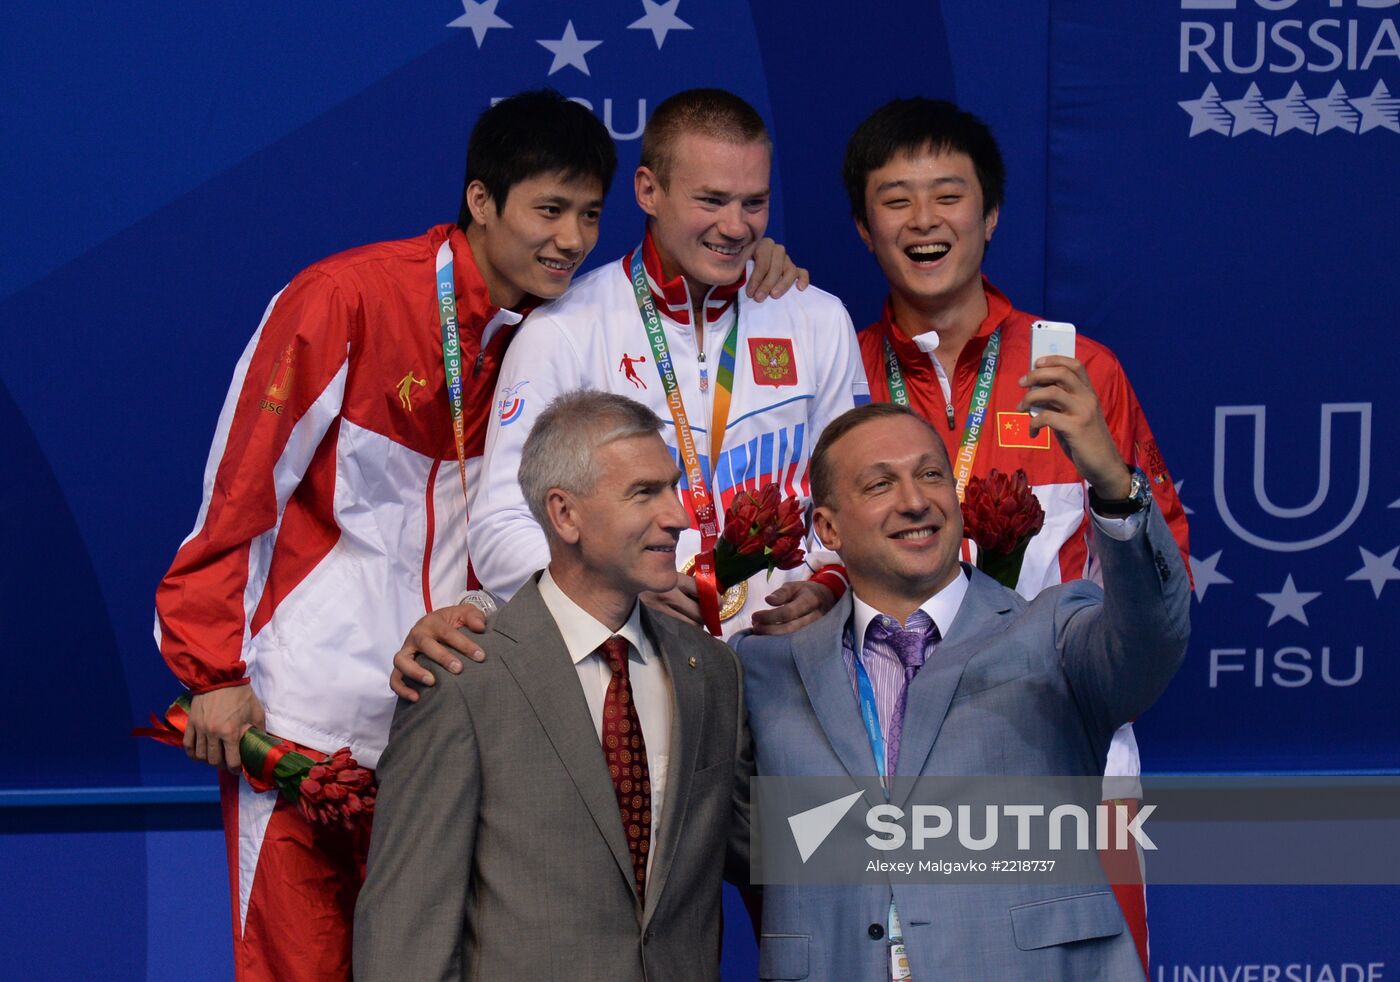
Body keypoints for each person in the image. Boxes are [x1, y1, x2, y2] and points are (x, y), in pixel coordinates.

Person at [153, 89, 798, 982]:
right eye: (547, 210)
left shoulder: (554, 328)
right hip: (308, 717)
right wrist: (214, 669)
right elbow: (240, 491)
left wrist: (763, 268)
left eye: (586, 215)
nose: (570, 239)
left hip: (461, 705)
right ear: (481, 201)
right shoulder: (347, 299)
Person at [843, 97, 1191, 964]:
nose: (924, 221)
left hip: (1064, 766)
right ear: (862, 227)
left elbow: (1162, 589)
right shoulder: (835, 369)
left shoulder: (1076, 370)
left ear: (990, 215)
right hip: (888, 777)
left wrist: (1111, 477)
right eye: (896, 199)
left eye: (949, 195)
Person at [390, 88, 867, 700]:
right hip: (631, 673)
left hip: (793, 672)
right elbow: (503, 525)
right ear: (648, 191)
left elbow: (854, 495)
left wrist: (833, 582)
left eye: (755, 203)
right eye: (711, 200)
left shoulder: (816, 318)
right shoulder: (564, 329)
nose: (736, 226)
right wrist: (617, 590)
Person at [737, 402, 1189, 981]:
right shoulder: (765, 671)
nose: (915, 500)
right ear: (827, 528)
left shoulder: (1054, 632)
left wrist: (1114, 489)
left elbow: (1155, 635)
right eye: (881, 484)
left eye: (930, 475)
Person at [354, 391, 753, 981]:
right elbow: (404, 928)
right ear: (564, 514)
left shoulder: (714, 672)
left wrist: (936, 838)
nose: (678, 516)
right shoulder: (464, 678)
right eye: (644, 493)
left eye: (673, 487)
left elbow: (766, 841)